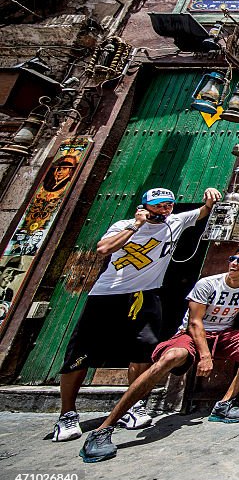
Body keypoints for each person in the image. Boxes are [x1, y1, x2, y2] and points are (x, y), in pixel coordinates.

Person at [52, 186, 222, 443]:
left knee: (143, 351)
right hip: (108, 295)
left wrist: (210, 198)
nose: (165, 210)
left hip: (146, 294)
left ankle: (133, 406)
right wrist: (136, 226)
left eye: (168, 205)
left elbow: (202, 212)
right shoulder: (124, 225)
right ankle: (67, 413)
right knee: (81, 352)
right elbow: (103, 249)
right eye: (159, 206)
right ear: (145, 207)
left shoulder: (174, 221)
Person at [79, 245, 239, 462]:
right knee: (171, 357)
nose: (233, 264)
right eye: (232, 259)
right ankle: (104, 429)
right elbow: (195, 323)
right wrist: (205, 356)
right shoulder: (208, 284)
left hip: (222, 335)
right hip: (191, 335)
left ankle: (225, 403)